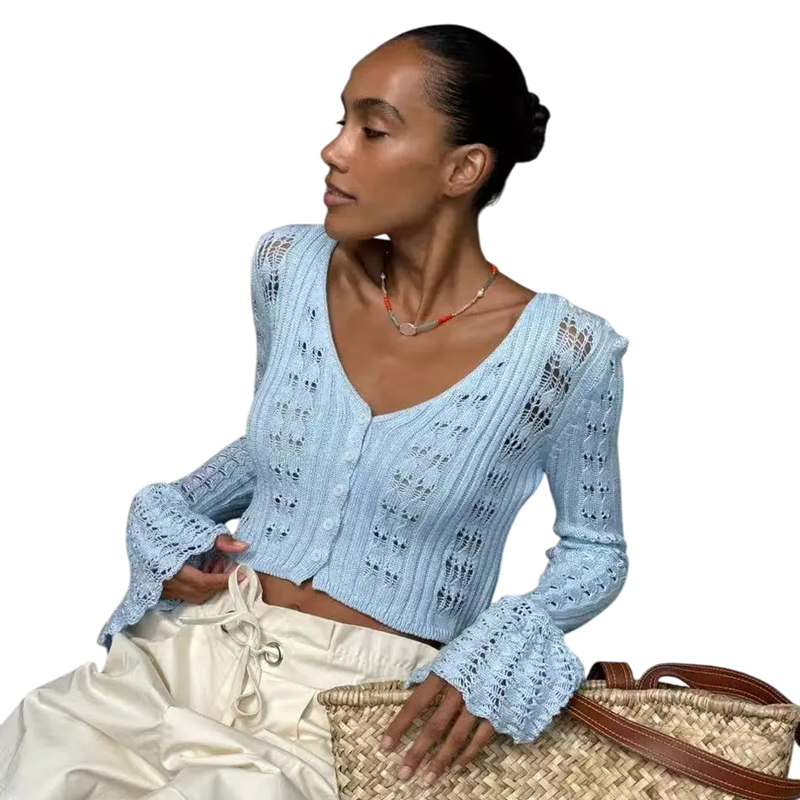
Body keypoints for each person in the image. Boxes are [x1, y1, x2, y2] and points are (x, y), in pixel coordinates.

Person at [0, 23, 630, 800]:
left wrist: (516, 632)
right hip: (183, 656)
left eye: (373, 130)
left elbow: (595, 548)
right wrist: (164, 514)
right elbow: (279, 447)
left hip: (354, 715)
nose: (334, 150)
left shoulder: (565, 353)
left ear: (462, 168)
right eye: (341, 121)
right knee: (36, 759)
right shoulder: (288, 267)